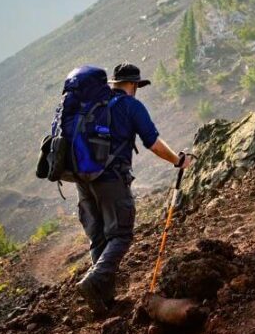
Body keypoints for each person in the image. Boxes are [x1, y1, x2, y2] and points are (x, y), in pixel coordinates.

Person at [75, 63, 194, 314]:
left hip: (82, 178)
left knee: (100, 237)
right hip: (111, 178)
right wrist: (178, 160)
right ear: (133, 85)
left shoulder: (92, 104)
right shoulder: (131, 106)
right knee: (120, 235)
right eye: (137, 86)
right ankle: (94, 281)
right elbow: (152, 142)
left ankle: (104, 301)